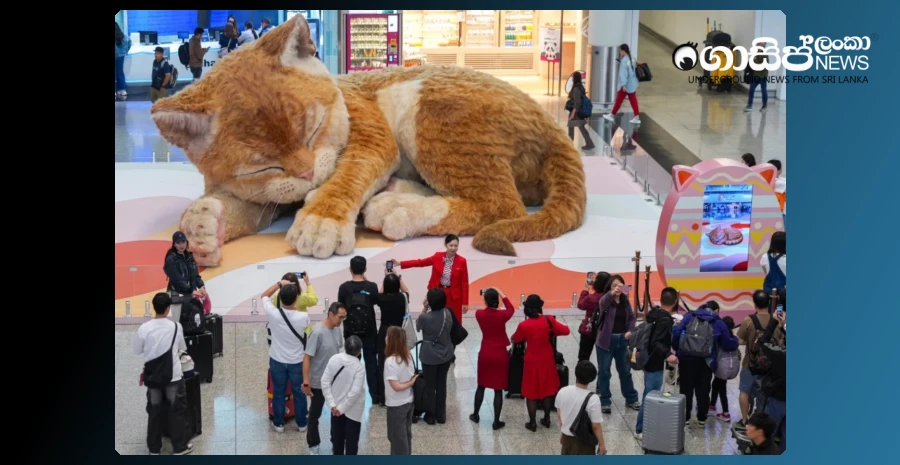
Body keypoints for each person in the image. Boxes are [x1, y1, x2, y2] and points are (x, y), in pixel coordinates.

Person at [133, 293, 193, 455]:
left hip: (153, 378)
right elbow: (182, 347)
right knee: (177, 411)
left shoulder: (144, 328)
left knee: (154, 412)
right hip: (173, 375)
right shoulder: (175, 327)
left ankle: (154, 449)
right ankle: (179, 447)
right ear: (168, 309)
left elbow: (137, 350)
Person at [672, 299, 739, 426]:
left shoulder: (690, 316)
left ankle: (685, 417)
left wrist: (678, 349)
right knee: (703, 389)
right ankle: (702, 417)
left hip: (686, 359)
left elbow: (677, 332)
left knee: (686, 388)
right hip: (706, 361)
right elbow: (728, 343)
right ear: (717, 310)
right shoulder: (717, 322)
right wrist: (735, 339)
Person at [512, 294, 571, 432]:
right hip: (547, 360)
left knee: (531, 392)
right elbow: (566, 331)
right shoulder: (548, 320)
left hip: (531, 362)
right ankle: (547, 418)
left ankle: (532, 422)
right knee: (547, 390)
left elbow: (517, 338)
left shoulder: (524, 325)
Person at [261, 278, 310, 433]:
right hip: (297, 361)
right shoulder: (303, 318)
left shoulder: (273, 314)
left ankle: (279, 423)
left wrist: (280, 283)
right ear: (296, 298)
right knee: (299, 392)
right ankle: (302, 423)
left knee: (278, 392)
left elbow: (264, 295)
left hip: (277, 359)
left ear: (280, 298)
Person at [634, 287, 679, 440]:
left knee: (649, 392)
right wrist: (668, 355)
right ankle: (640, 428)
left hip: (647, 358)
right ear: (675, 302)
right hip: (655, 362)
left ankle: (644, 426)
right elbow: (657, 342)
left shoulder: (654, 314)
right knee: (650, 395)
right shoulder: (665, 319)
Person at [393, 233, 470, 323]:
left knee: (454, 321)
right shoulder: (437, 256)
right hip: (438, 293)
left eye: (456, 246)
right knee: (436, 320)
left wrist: (465, 302)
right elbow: (420, 262)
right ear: (446, 245)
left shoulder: (462, 261)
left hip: (454, 296)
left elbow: (464, 282)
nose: (453, 248)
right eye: (451, 245)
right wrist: (400, 263)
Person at [303, 302, 347, 455]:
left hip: (335, 381)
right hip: (318, 382)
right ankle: (313, 444)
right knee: (314, 415)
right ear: (330, 314)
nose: (342, 320)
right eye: (340, 317)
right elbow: (307, 357)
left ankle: (336, 441)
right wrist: (306, 382)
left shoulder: (337, 330)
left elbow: (338, 351)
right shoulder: (317, 332)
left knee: (338, 413)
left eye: (343, 317)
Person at [337, 256, 381, 405]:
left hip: (350, 332)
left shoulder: (344, 288)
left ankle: (349, 396)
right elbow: (376, 301)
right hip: (369, 332)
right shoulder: (372, 287)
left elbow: (341, 308)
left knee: (350, 363)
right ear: (365, 269)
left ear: (350, 269)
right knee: (371, 365)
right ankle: (375, 396)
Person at [593, 275, 640, 414]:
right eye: (614, 285)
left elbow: (631, 317)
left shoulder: (625, 302)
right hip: (605, 341)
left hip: (622, 341)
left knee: (625, 371)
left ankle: (631, 398)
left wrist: (630, 331)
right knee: (605, 372)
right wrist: (612, 293)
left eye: (620, 285)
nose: (618, 288)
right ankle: (605, 401)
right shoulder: (606, 301)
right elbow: (602, 302)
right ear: (609, 288)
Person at [471, 287, 515, 430]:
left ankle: (476, 415)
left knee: (481, 386)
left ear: (485, 301)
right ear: (497, 301)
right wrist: (502, 294)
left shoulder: (479, 314)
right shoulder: (502, 316)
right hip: (500, 354)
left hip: (485, 353)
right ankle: (496, 421)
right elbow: (511, 308)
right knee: (498, 389)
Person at [415, 288, 456, 425]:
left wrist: (424, 308)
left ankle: (430, 414)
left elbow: (418, 327)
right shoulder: (448, 314)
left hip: (429, 356)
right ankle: (441, 415)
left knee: (430, 385)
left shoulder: (424, 317)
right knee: (442, 383)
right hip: (446, 354)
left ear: (430, 302)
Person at [321, 335, 367, 455]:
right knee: (352, 444)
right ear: (359, 351)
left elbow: (325, 382)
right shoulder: (359, 367)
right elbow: (355, 393)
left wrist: (332, 405)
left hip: (335, 409)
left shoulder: (334, 359)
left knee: (337, 442)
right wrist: (342, 409)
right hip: (353, 411)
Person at [735, 290, 774, 430]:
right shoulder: (775, 321)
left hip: (749, 363)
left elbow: (739, 340)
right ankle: (760, 423)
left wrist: (751, 343)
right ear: (769, 303)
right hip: (769, 367)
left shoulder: (748, 320)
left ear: (754, 304)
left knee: (744, 392)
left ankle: (745, 420)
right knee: (763, 396)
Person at [556, 361, 607, 455]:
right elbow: (595, 426)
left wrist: (563, 433)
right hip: (584, 442)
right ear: (592, 378)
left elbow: (560, 417)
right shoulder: (593, 399)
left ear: (576, 373)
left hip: (567, 439)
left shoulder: (563, 391)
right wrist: (602, 445)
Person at [376, 270, 411, 408]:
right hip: (399, 332)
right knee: (400, 360)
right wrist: (397, 276)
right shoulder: (403, 297)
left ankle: (383, 397)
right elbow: (406, 289)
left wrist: (385, 277)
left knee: (383, 364)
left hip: (385, 332)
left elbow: (379, 292)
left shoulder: (381, 299)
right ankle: (401, 389)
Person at [383, 326, 419, 455]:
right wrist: (410, 383)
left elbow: (396, 387)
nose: (385, 338)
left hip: (396, 405)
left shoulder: (390, 362)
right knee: (405, 435)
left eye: (387, 336)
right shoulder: (408, 356)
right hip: (408, 401)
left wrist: (410, 383)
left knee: (397, 438)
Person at [162, 231, 206, 323]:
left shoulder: (189, 256)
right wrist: (193, 291)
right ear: (174, 244)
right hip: (177, 294)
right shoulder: (171, 259)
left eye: (183, 242)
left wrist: (202, 287)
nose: (181, 245)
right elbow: (177, 280)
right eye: (178, 243)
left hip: (189, 294)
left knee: (189, 323)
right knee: (178, 322)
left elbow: (195, 275)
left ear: (186, 242)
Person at [602, 43, 641, 125]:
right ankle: (636, 117)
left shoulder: (624, 61)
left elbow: (623, 74)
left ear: (623, 51)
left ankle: (612, 115)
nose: (620, 53)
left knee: (619, 100)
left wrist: (623, 85)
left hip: (626, 85)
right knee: (633, 100)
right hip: (632, 84)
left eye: (620, 51)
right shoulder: (632, 58)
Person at [576, 272, 611, 362]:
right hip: (605, 331)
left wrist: (585, 290)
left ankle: (582, 373)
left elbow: (580, 304)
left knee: (583, 356)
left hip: (589, 330)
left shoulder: (591, 298)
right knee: (603, 359)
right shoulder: (610, 298)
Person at [710, 313, 737, 422]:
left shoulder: (720, 339)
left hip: (722, 367)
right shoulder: (734, 339)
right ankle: (712, 406)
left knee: (722, 389)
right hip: (731, 366)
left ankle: (726, 413)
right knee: (716, 385)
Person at [566, 71, 595, 150]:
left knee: (572, 127)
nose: (571, 79)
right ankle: (589, 143)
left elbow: (577, 103)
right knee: (580, 127)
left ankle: (570, 144)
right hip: (579, 112)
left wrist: (572, 114)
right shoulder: (580, 87)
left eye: (573, 77)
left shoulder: (576, 89)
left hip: (576, 113)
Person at [744, 42, 770, 113]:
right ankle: (749, 105)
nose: (757, 46)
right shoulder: (756, 52)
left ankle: (764, 106)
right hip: (755, 75)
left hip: (762, 76)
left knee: (763, 91)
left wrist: (755, 59)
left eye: (759, 44)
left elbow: (763, 65)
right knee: (751, 90)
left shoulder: (764, 54)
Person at [115, 22, 132, 99]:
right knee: (120, 72)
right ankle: (122, 90)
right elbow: (129, 42)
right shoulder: (123, 36)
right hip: (120, 56)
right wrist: (125, 51)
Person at [767, 159, 786, 227]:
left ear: (779, 171)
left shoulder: (780, 181)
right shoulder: (776, 181)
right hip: (774, 213)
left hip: (780, 212)